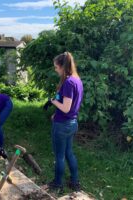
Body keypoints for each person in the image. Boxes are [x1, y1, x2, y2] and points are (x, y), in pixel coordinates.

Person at [48, 52, 83, 192]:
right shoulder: (77, 79)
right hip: (72, 122)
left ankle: (57, 183)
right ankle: (75, 181)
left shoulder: (68, 82)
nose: (55, 70)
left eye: (56, 67)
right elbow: (71, 106)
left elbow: (66, 107)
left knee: (60, 156)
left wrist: (54, 102)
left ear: (62, 66)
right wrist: (56, 114)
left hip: (63, 125)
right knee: (69, 152)